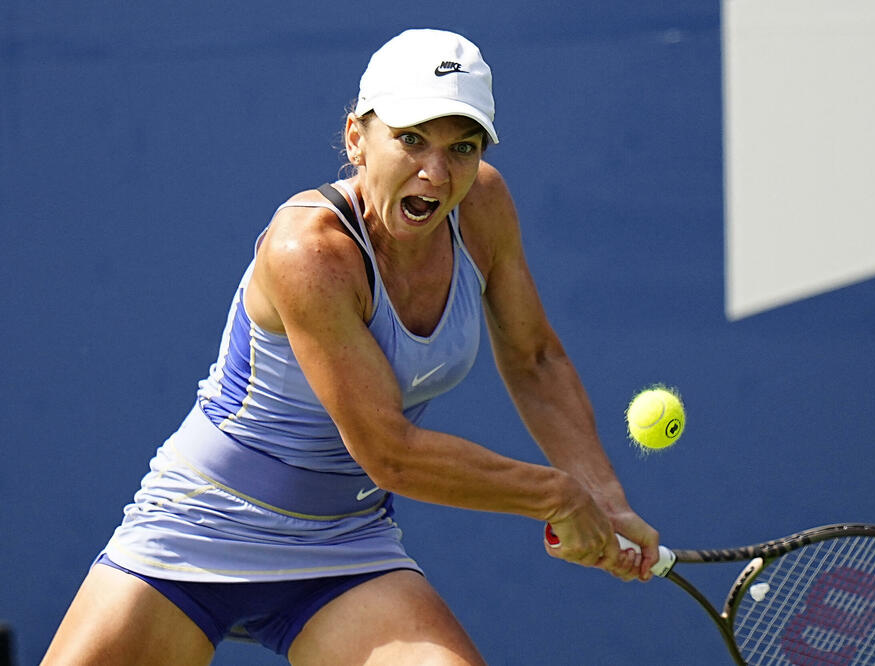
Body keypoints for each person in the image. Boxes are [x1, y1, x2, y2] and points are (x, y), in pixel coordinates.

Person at [42, 28, 659, 666]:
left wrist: (604, 498)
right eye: (411, 139)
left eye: (463, 147)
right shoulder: (308, 251)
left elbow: (536, 359)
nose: (436, 172)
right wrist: (559, 495)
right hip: (198, 527)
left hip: (344, 545)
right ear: (356, 138)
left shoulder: (483, 207)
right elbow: (390, 454)